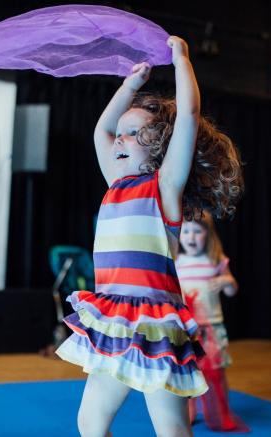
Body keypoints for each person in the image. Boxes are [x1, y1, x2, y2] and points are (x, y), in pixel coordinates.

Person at [55, 35, 243, 437]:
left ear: (158, 145)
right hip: (115, 319)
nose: (118, 140)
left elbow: (189, 115)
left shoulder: (164, 188)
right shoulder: (114, 184)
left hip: (157, 323)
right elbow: (100, 131)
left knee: (172, 428)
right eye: (120, 135)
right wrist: (130, 86)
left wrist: (182, 62)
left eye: (131, 134)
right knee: (89, 422)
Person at [176, 212, 241, 431]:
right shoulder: (177, 262)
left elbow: (232, 291)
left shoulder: (215, 261)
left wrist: (226, 281)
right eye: (186, 231)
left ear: (208, 234)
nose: (191, 237)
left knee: (217, 371)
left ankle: (219, 411)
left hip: (212, 327)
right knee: (187, 371)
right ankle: (189, 412)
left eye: (197, 231)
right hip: (186, 329)